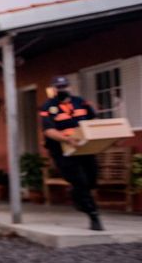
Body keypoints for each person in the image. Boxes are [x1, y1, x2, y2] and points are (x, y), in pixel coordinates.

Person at [39, 76, 104, 231]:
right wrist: (66, 139)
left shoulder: (81, 102)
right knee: (80, 181)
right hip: (62, 151)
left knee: (92, 178)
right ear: (54, 89)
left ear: (70, 87)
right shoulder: (48, 107)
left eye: (64, 86)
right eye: (58, 87)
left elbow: (93, 122)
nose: (62, 89)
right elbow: (49, 130)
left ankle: (76, 195)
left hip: (85, 148)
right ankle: (93, 214)